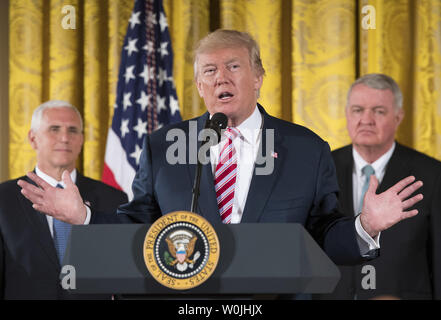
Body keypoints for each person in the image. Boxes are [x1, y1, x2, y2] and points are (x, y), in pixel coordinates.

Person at [18, 31, 423, 274]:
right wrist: (83, 217)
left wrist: (364, 226)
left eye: (233, 67)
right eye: (209, 71)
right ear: (199, 86)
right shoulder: (163, 146)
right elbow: (138, 228)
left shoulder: (305, 149)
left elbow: (323, 236)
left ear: (259, 77)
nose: (220, 78)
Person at [314, 73, 441, 300]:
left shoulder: (432, 174)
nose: (366, 119)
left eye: (379, 111)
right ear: (346, 115)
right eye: (357, 110)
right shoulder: (319, 168)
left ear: (398, 117)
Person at [0, 100, 128, 299]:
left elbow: (122, 277)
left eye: (73, 130)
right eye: (54, 129)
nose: (65, 138)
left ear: (82, 140)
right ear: (33, 139)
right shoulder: (4, 198)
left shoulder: (113, 199)